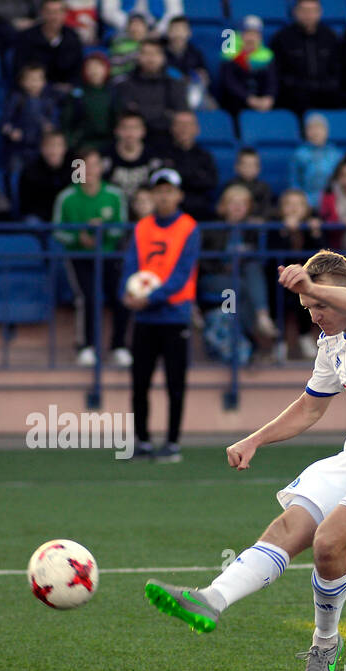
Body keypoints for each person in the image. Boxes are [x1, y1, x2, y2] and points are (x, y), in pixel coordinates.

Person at [144, 249, 346, 671]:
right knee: (291, 524)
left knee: (327, 543)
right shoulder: (331, 347)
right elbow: (309, 409)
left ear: (342, 290)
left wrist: (311, 286)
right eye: (308, 308)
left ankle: (325, 646)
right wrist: (254, 439)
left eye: (320, 305)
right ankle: (211, 599)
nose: (315, 314)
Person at [121, 167, 200, 463]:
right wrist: (126, 293)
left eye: (169, 191)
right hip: (145, 319)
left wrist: (149, 298)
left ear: (178, 195)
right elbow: (130, 264)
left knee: (174, 383)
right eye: (159, 191)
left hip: (174, 316)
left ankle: (172, 443)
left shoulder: (189, 227)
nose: (164, 196)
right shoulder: (142, 228)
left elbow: (181, 275)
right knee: (139, 382)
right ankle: (141, 441)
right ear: (152, 195)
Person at [53, 145, 131, 367]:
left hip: (109, 255)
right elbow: (58, 230)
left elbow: (121, 227)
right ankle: (86, 346)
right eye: (84, 165)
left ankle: (119, 346)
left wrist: (102, 231)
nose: (90, 170)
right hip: (80, 256)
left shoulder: (114, 195)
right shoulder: (67, 197)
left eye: (94, 164)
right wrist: (79, 237)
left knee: (121, 294)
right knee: (87, 296)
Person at [198, 185, 279, 364]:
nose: (237, 207)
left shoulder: (252, 230)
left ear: (248, 208)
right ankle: (259, 334)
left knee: (249, 275)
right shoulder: (211, 229)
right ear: (223, 206)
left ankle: (259, 320)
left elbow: (260, 258)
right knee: (241, 286)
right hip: (214, 279)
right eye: (233, 203)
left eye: (242, 204)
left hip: (242, 280)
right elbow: (202, 262)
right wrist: (223, 265)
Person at [271, 188, 324, 359]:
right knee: (278, 295)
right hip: (280, 277)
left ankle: (304, 336)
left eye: (298, 205)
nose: (293, 209)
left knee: (304, 294)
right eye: (289, 205)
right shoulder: (275, 226)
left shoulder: (311, 226)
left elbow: (322, 256)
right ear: (281, 209)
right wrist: (285, 233)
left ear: (306, 209)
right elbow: (273, 258)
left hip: (307, 278)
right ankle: (280, 342)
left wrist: (315, 233)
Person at [271, 0, 343, 115]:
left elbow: (338, 68)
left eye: (312, 11)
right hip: (295, 92)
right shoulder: (282, 38)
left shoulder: (330, 36)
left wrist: (328, 84)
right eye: (304, 11)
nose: (308, 15)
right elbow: (278, 72)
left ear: (319, 13)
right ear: (295, 12)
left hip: (326, 91)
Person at [112, 39, 189, 147]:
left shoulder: (175, 85)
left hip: (168, 141)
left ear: (163, 57)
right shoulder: (125, 85)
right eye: (146, 53)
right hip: (133, 142)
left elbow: (180, 116)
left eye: (155, 53)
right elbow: (127, 117)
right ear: (138, 57)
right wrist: (163, 113)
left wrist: (140, 110)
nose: (151, 58)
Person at [1, 62, 62, 175]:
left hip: (40, 146)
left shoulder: (49, 100)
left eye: (38, 79)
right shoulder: (16, 99)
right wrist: (11, 131)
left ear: (44, 82)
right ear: (22, 82)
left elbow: (54, 121)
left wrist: (50, 128)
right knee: (15, 172)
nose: (34, 83)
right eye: (30, 79)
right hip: (19, 147)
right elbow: (5, 121)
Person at [13, 0, 84, 90]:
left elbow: (77, 70)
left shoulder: (73, 37)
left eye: (58, 12)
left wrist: (69, 86)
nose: (54, 17)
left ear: (65, 14)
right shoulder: (27, 38)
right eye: (49, 12)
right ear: (42, 13)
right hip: (35, 91)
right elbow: (20, 70)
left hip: (65, 92)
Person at [162, 110, 218, 222]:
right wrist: (196, 175)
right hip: (170, 212)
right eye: (180, 124)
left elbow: (211, 182)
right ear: (172, 128)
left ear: (197, 129)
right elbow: (163, 183)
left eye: (188, 124)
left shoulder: (205, 156)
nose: (184, 129)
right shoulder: (163, 154)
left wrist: (180, 175)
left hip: (200, 212)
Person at [218, 15, 277, 118]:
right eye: (247, 34)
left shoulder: (267, 56)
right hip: (236, 105)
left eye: (255, 34)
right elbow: (229, 82)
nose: (251, 38)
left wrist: (269, 97)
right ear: (239, 35)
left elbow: (272, 81)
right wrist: (248, 99)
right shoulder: (230, 55)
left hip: (262, 104)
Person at [63, 51, 117, 153]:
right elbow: (66, 123)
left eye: (98, 66)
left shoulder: (113, 93)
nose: (94, 70)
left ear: (106, 69)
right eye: (90, 67)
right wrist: (72, 144)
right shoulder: (76, 94)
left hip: (109, 145)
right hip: (82, 146)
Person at [104, 110, 164, 200]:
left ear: (143, 131)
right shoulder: (104, 156)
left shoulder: (154, 157)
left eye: (135, 128)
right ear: (116, 131)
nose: (130, 133)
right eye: (125, 128)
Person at [18, 129, 73, 221]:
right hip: (41, 217)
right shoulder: (30, 171)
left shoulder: (75, 167)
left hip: (68, 215)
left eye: (58, 145)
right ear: (42, 148)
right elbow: (27, 205)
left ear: (64, 148)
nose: (53, 150)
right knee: (31, 221)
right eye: (49, 146)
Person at [162, 15, 211, 110]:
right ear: (168, 32)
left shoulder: (196, 53)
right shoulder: (160, 52)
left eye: (182, 30)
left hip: (190, 90)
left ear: (189, 33)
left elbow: (203, 76)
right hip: (166, 92)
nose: (178, 34)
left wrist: (201, 77)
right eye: (175, 30)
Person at [289, 112, 341, 202]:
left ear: (327, 131)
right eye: (311, 128)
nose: (315, 132)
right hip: (306, 200)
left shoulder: (336, 154)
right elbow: (294, 182)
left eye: (319, 128)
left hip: (333, 199)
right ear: (306, 132)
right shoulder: (299, 154)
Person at [223, 147, 275, 219]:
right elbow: (223, 208)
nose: (249, 168)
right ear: (237, 167)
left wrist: (259, 219)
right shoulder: (230, 185)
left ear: (259, 168)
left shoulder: (264, 188)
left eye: (253, 165)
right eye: (245, 165)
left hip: (255, 227)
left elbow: (267, 209)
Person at [101, 0, 183, 37]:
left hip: (156, 33)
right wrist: (131, 26)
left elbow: (175, 12)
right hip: (123, 31)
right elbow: (108, 11)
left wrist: (159, 30)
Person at [108, 11, 149, 78]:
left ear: (145, 28)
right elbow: (115, 70)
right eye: (133, 24)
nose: (136, 28)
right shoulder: (119, 44)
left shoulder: (152, 44)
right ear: (127, 28)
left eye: (139, 25)